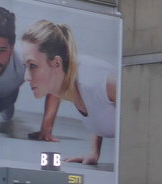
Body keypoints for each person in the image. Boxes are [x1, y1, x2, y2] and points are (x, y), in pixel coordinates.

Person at [20, 19, 118, 165]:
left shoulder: (98, 80)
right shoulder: (66, 84)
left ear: (57, 64)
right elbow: (96, 107)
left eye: (33, 66)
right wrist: (94, 153)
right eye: (25, 66)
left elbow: (144, 104)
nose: (26, 77)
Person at [0, 6, 25, 124]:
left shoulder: (25, 60)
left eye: (2, 50)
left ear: (11, 48)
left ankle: (7, 106)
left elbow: (58, 72)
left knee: (4, 111)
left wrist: (46, 127)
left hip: (7, 96)